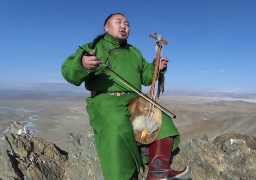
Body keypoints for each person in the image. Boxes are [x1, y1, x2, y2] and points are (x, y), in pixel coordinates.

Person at [61, 12, 188, 180]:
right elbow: (69, 71)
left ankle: (158, 171)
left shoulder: (134, 52)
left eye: (127, 24)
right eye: (118, 22)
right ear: (106, 27)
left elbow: (146, 76)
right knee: (117, 128)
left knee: (160, 118)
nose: (124, 26)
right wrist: (82, 64)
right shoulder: (93, 47)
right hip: (106, 101)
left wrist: (157, 67)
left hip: (134, 99)